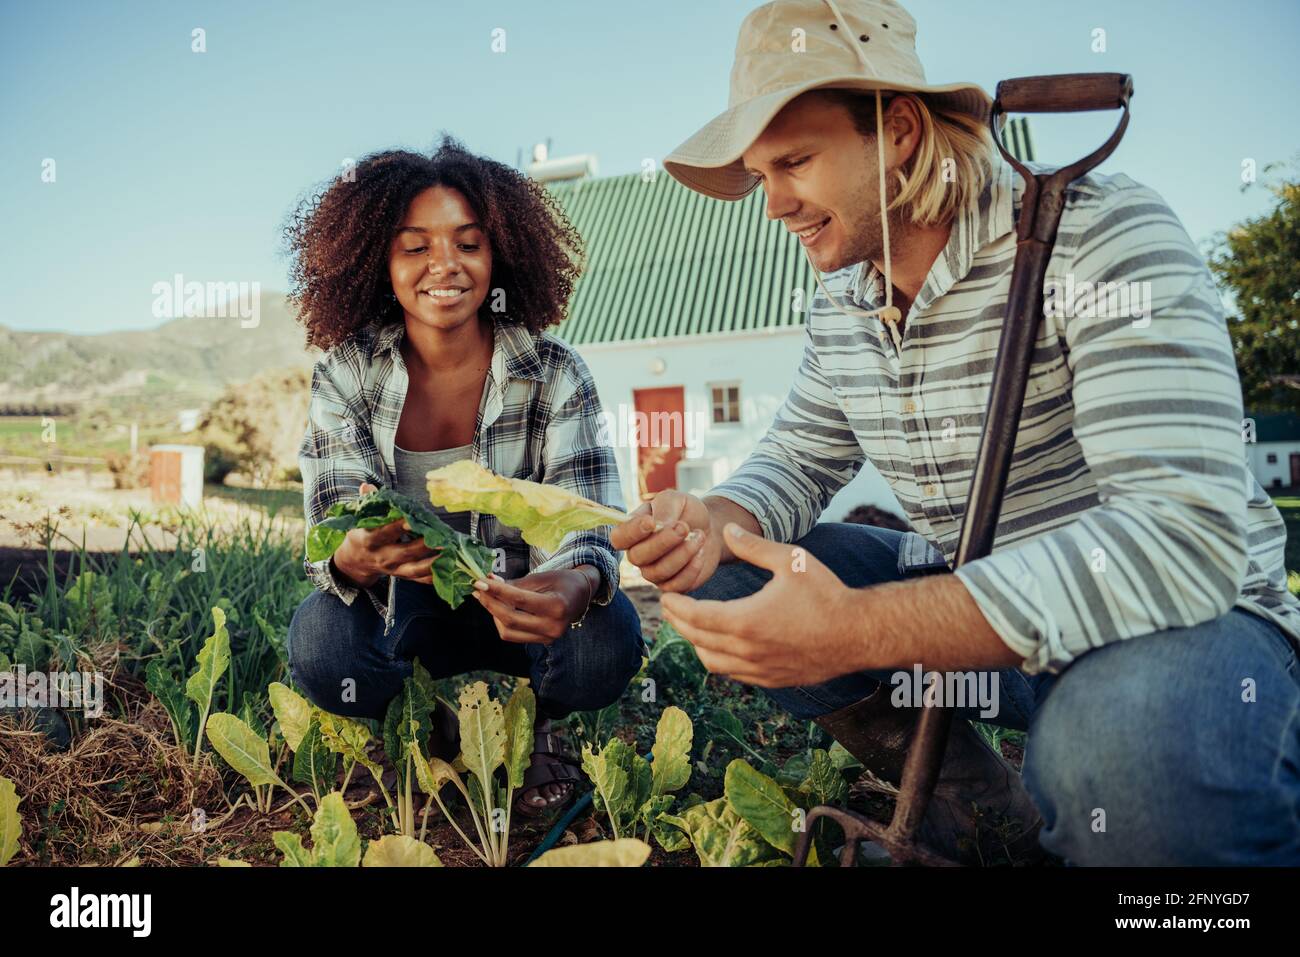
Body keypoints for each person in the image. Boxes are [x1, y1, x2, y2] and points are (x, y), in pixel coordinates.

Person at [612, 0, 1300, 864]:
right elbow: (795, 459)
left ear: (897, 131)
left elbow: (1179, 543)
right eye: (759, 173)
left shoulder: (1098, 235)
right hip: (992, 637)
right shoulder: (846, 304)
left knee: (1121, 752)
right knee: (734, 575)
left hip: (1187, 631)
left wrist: (857, 627)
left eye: (794, 162)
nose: (773, 203)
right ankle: (979, 820)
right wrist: (712, 521)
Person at [284, 136, 644, 817]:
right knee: (321, 641)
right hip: (407, 610)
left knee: (608, 638)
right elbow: (331, 512)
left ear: (499, 254)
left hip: (523, 602)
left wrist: (576, 579)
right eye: (415, 246)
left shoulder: (555, 371)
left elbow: (589, 513)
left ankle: (536, 722)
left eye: (468, 243)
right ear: (377, 260)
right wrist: (354, 554)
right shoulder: (347, 372)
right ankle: (434, 725)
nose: (443, 264)